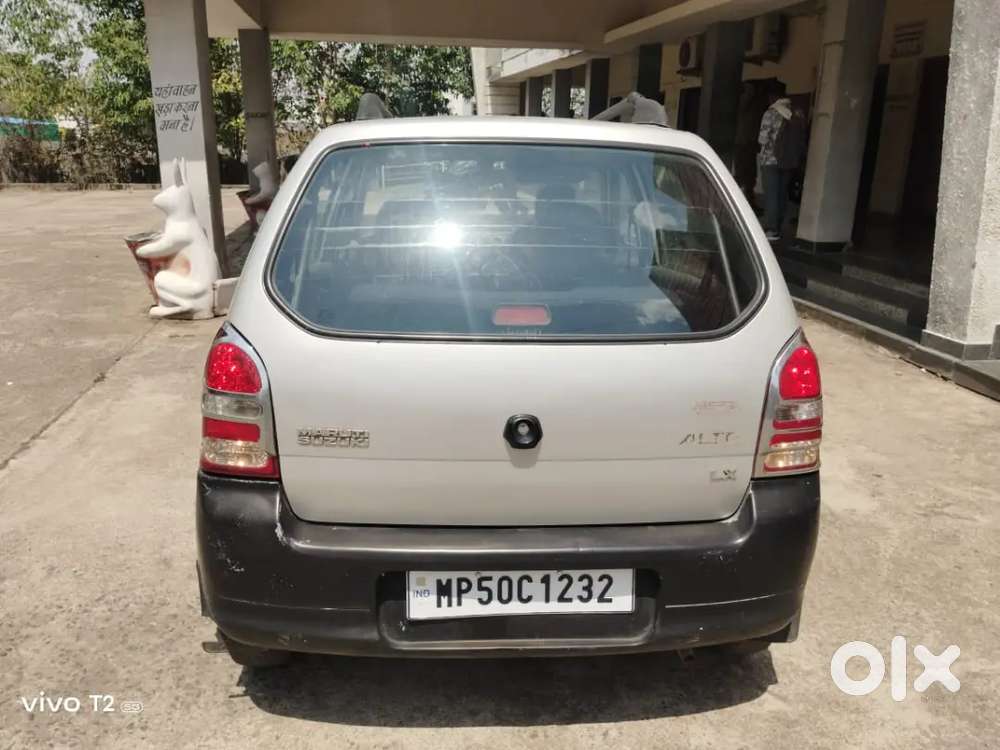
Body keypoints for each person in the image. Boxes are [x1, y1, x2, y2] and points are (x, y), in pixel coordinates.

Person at [758, 92, 795, 241]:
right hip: (788, 161)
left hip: (770, 160)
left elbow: (762, 139)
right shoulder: (795, 113)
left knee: (771, 195)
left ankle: (771, 230)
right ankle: (778, 227)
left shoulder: (771, 113)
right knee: (782, 194)